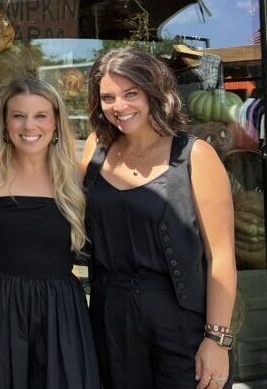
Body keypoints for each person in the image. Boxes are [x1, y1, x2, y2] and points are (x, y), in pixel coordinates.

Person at [81, 46, 236, 389]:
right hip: (110, 317)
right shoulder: (96, 146)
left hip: (180, 321)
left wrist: (217, 339)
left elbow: (221, 257)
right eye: (108, 97)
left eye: (130, 93)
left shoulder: (195, 154)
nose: (118, 106)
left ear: (154, 91)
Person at [0, 77, 99, 388]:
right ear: (5, 123)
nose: (29, 126)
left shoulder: (76, 177)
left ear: (56, 122)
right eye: (18, 115)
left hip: (60, 310)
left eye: (40, 116)